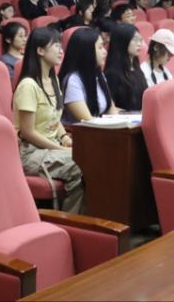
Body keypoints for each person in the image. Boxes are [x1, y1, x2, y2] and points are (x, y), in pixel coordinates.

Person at [12, 26, 84, 213]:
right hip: (31, 152)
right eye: (56, 46)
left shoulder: (53, 80)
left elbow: (54, 116)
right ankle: (69, 219)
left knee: (92, 156)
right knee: (79, 164)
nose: (61, 51)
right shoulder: (28, 86)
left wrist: (65, 138)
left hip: (51, 147)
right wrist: (60, 149)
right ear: (40, 50)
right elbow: (27, 132)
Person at [59, 27, 118, 123]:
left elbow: (112, 109)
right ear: (87, 51)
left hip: (101, 128)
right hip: (83, 130)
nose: (105, 52)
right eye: (100, 47)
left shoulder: (99, 75)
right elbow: (87, 120)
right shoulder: (73, 80)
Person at [103, 24, 147, 111]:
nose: (139, 44)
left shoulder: (137, 69)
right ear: (122, 42)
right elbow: (109, 107)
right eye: (135, 40)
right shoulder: (112, 74)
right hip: (125, 118)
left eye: (140, 40)